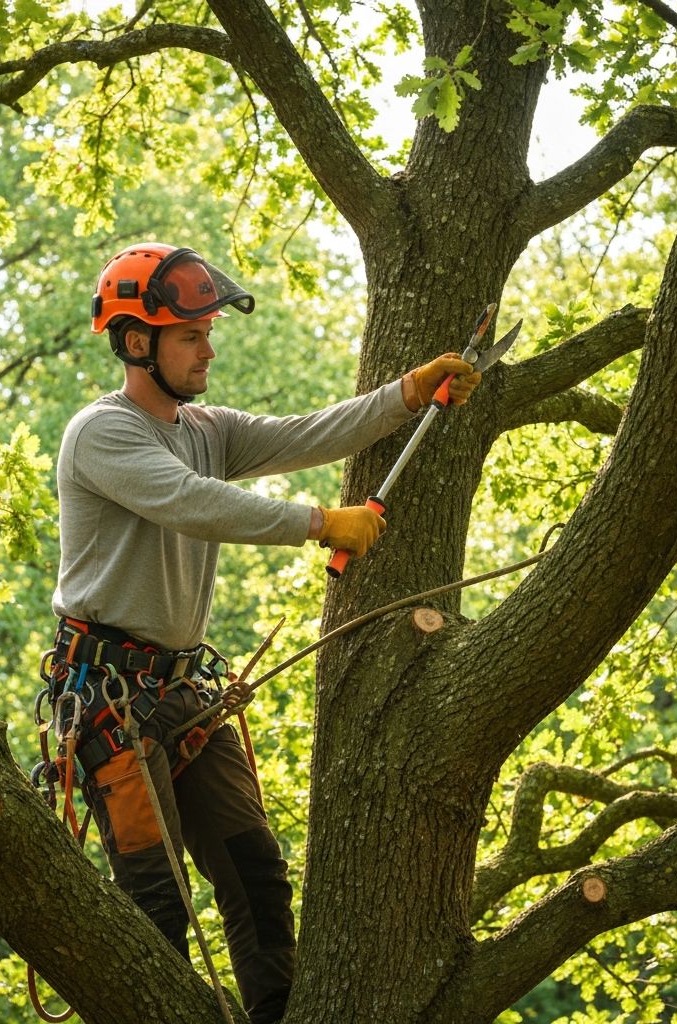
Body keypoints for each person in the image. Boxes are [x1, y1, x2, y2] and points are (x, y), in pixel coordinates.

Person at [48, 241, 481, 1023]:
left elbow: (305, 433)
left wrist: (407, 394)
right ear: (137, 342)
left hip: (183, 694)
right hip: (109, 699)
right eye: (192, 336)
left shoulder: (206, 428)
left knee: (257, 878)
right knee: (155, 904)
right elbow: (193, 503)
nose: (209, 348)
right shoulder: (102, 434)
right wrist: (320, 523)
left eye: (209, 331)